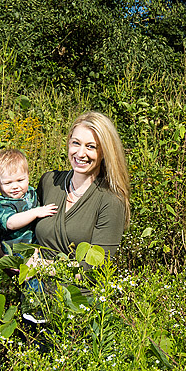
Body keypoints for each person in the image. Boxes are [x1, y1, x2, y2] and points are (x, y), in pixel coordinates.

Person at [32, 111, 131, 264]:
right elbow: (27, 232)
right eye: (76, 143)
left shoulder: (110, 200)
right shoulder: (49, 182)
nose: (80, 153)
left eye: (90, 147)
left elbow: (98, 266)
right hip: (34, 286)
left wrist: (43, 266)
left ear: (104, 152)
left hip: (77, 288)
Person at [0, 148, 57, 256]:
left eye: (20, 180)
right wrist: (35, 212)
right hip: (16, 251)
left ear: (28, 177)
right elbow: (10, 223)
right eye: (8, 183)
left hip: (37, 247)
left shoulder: (31, 192)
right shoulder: (3, 204)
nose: (15, 186)